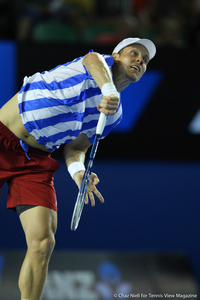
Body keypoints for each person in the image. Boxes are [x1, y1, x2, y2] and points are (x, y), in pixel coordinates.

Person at [0, 37, 156, 300]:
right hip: (3, 139)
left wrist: (78, 172)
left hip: (35, 162)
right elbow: (91, 58)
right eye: (134, 53)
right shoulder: (94, 64)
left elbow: (75, 147)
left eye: (145, 60)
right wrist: (108, 89)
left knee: (44, 243)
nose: (140, 60)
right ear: (116, 55)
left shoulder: (112, 115)